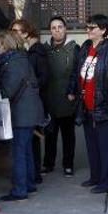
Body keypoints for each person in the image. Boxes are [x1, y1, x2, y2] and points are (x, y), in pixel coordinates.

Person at [67, 14, 108, 194]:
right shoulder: (85, 47)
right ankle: (95, 176)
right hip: (86, 107)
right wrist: (71, 90)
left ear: (103, 30)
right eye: (87, 27)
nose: (88, 30)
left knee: (106, 147)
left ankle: (107, 182)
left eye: (92, 27)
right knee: (92, 145)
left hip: (104, 107)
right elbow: (75, 72)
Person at [0, 31, 45, 201]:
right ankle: (29, 185)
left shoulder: (14, 62)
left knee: (18, 153)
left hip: (21, 114)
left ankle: (19, 189)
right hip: (28, 112)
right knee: (26, 151)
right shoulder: (21, 59)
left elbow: (7, 91)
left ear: (8, 45)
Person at [41, 16, 79, 177]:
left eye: (60, 27)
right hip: (50, 98)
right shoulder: (44, 49)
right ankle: (48, 164)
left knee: (68, 134)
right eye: (54, 28)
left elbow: (78, 73)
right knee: (50, 133)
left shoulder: (74, 48)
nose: (57, 30)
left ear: (65, 29)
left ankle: (68, 165)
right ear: (50, 30)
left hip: (67, 97)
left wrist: (73, 92)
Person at [12, 19, 49, 183]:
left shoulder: (36, 52)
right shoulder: (25, 50)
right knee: (29, 142)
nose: (12, 34)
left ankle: (33, 176)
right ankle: (32, 176)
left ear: (25, 33)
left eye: (16, 31)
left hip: (31, 102)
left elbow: (43, 77)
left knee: (31, 142)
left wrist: (31, 88)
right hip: (28, 102)